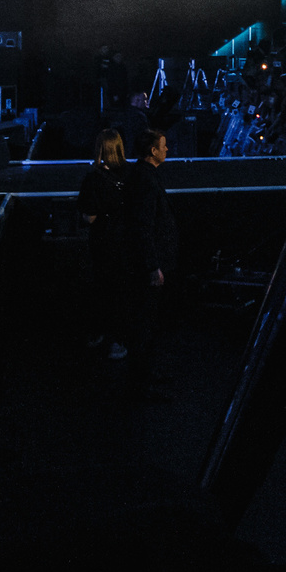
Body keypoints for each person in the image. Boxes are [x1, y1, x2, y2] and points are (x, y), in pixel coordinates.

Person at [107, 127, 180, 396]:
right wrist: (153, 266)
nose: (167, 149)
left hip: (152, 262)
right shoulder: (146, 180)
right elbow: (143, 226)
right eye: (163, 145)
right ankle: (141, 382)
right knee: (145, 324)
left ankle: (146, 375)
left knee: (147, 323)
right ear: (153, 151)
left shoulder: (143, 176)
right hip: (151, 265)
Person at [79, 127, 129, 356]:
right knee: (123, 291)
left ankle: (102, 336)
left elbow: (89, 216)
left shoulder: (93, 178)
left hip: (103, 241)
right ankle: (120, 340)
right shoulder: (132, 174)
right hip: (126, 240)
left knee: (103, 289)